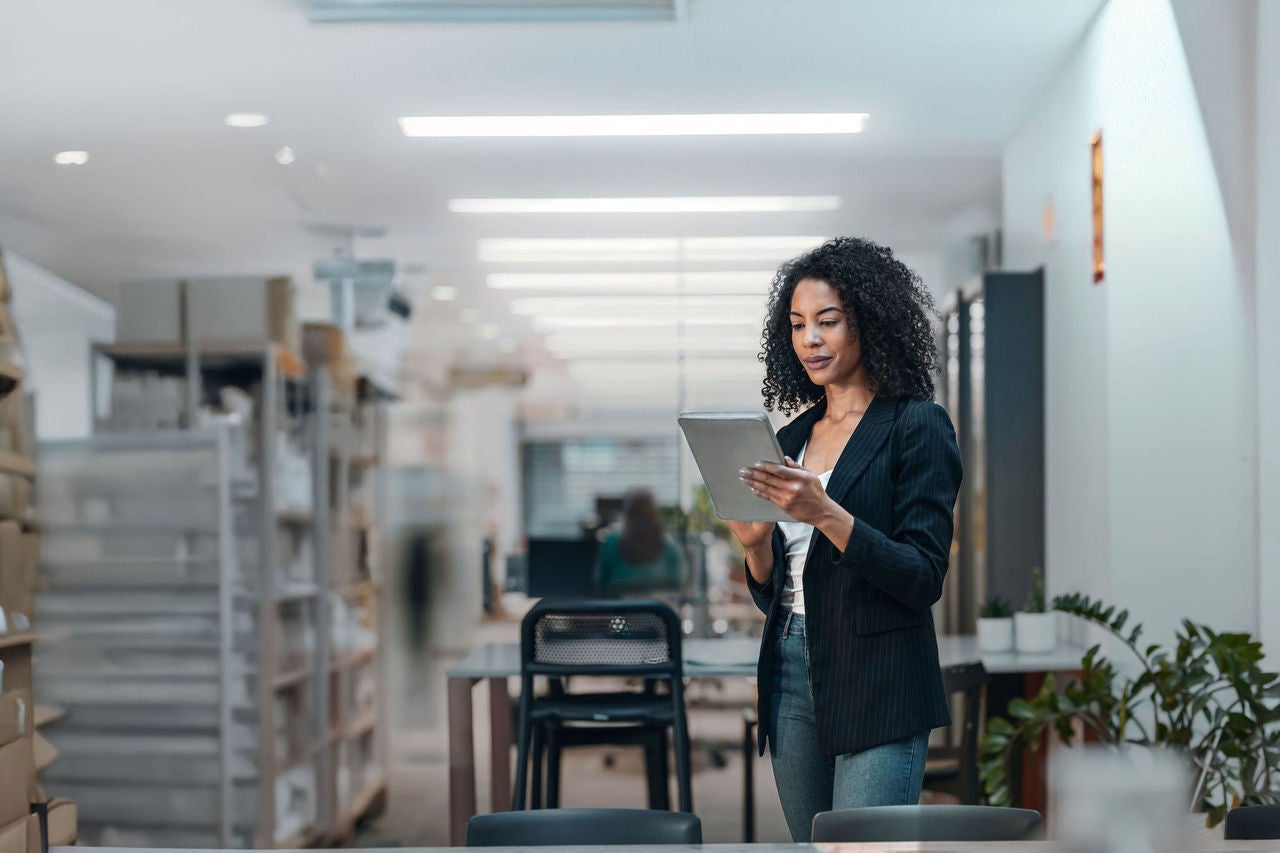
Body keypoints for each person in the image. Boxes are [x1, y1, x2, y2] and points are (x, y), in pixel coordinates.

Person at [728, 237, 963, 842]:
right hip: (789, 664)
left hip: (880, 674)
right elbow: (778, 591)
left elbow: (922, 577)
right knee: (813, 845)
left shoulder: (917, 425)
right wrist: (756, 549)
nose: (810, 339)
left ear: (870, 324)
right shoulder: (791, 436)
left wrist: (826, 513)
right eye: (798, 324)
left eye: (827, 322)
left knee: (861, 848)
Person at [595, 488, 685, 595]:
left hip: (659, 610)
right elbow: (601, 585)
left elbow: (679, 585)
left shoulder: (669, 546)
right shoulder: (611, 544)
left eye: (645, 515)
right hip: (619, 609)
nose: (640, 520)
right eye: (636, 513)